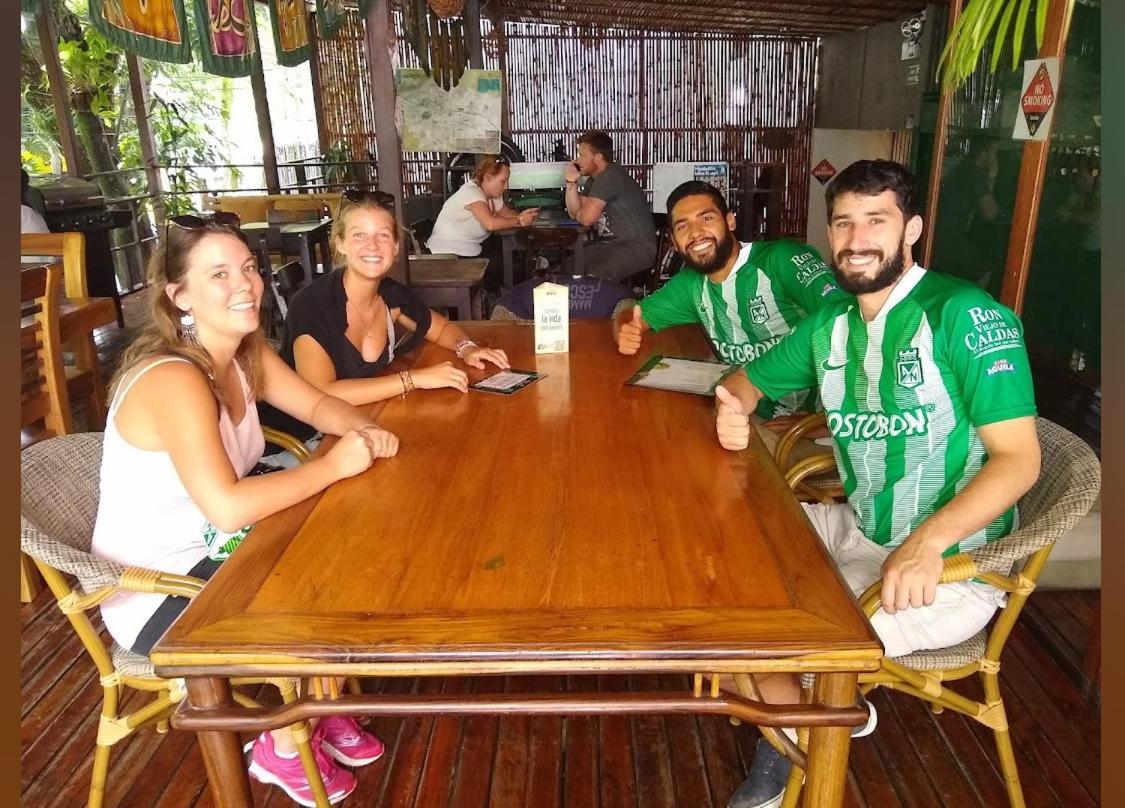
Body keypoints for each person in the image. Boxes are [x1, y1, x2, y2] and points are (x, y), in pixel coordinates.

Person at [713, 160, 1040, 808]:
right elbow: (744, 383)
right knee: (712, 574)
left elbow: (1018, 459)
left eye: (876, 221)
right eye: (843, 223)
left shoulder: (963, 314)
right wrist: (733, 409)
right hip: (859, 527)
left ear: (911, 229)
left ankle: (800, 742)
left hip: (947, 566)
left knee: (757, 646)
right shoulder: (830, 322)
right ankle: (828, 719)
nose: (856, 240)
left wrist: (926, 544)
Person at [91, 213, 397, 806]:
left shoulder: (242, 352)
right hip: (159, 590)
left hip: (219, 547)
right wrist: (332, 466)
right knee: (327, 577)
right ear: (179, 296)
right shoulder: (174, 378)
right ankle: (281, 742)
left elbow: (317, 405)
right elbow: (229, 507)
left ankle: (317, 702)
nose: (245, 284)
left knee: (348, 548)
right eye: (219, 274)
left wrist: (364, 429)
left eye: (249, 268)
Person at [263, 190, 510, 443]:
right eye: (359, 235)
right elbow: (321, 393)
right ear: (340, 243)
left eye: (383, 235)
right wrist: (413, 380)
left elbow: (440, 328)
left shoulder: (391, 294)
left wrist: (466, 347)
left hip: (362, 422)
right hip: (298, 442)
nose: (372, 245)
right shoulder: (312, 305)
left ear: (395, 247)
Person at [614, 180, 845, 426]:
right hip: (745, 411)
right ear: (673, 239)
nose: (696, 233)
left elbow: (851, 325)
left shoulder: (781, 259)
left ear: (730, 221)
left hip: (819, 420)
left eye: (706, 218)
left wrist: (822, 423)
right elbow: (633, 316)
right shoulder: (691, 284)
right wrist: (625, 330)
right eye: (683, 226)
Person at [426, 154, 539, 289]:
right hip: (447, 255)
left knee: (509, 265)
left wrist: (528, 218)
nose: (506, 187)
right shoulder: (472, 192)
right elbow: (490, 223)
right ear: (487, 177)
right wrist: (520, 221)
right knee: (504, 268)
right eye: (503, 181)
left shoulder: (492, 195)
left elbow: (506, 213)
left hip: (468, 251)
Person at [563, 130, 656, 282]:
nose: (577, 161)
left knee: (596, 275)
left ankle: (601, 298)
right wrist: (570, 181)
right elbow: (575, 213)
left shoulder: (610, 176)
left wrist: (582, 214)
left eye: (582, 156)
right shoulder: (594, 180)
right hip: (610, 245)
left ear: (598, 158)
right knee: (568, 267)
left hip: (637, 247)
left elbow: (586, 219)